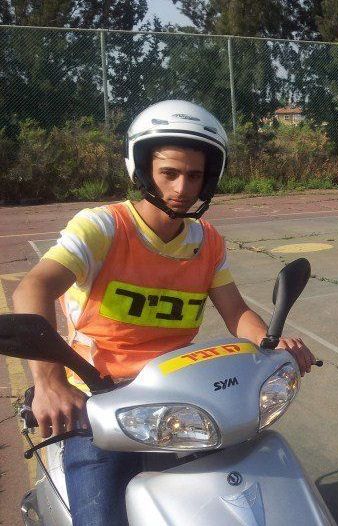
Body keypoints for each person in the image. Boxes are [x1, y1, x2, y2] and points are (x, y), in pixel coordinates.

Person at [12, 100, 316, 526]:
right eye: (169, 173)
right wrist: (49, 382)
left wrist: (273, 342)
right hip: (100, 398)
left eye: (194, 175)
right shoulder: (103, 227)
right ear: (142, 170)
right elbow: (33, 288)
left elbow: (236, 312)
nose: (182, 187)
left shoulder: (206, 241)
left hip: (179, 398)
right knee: (99, 519)